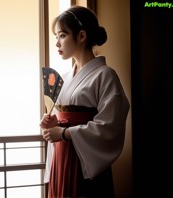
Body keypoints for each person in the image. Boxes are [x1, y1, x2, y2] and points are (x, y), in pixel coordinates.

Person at [40, 6, 130, 198]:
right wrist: (53, 124)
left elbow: (109, 126)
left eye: (62, 35)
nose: (57, 43)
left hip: (85, 160)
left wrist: (64, 133)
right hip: (62, 155)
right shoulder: (64, 78)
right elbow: (63, 119)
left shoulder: (105, 75)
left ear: (82, 36)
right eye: (56, 37)